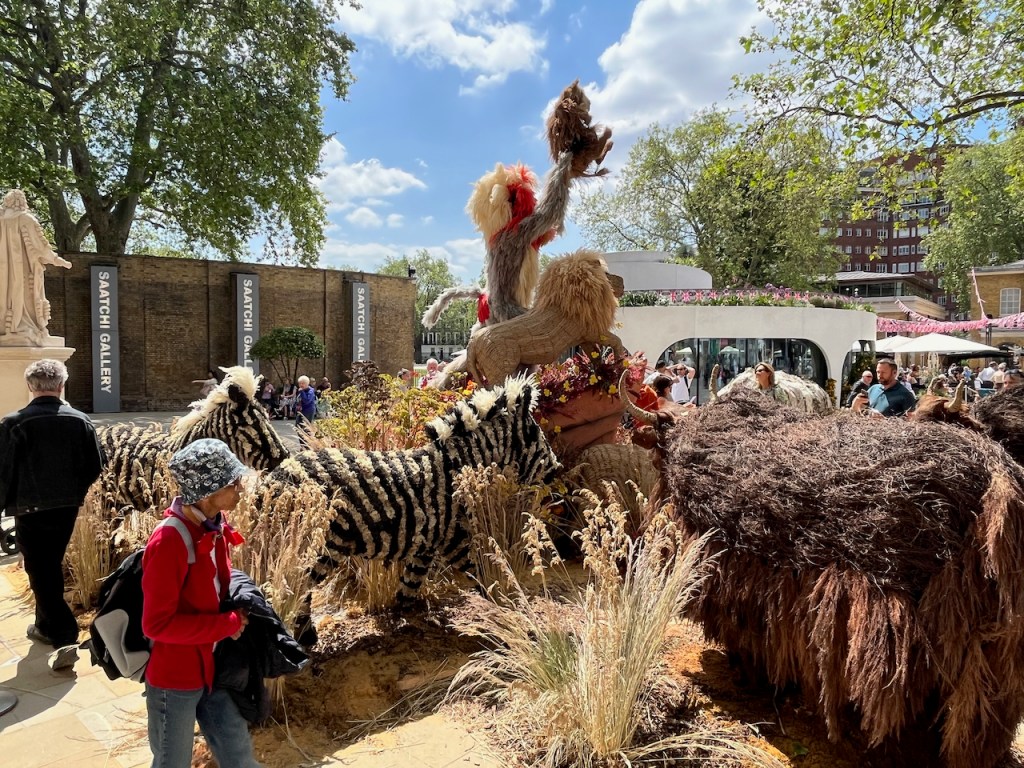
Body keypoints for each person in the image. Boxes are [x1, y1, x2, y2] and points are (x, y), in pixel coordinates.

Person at [141, 438, 262, 768]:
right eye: (233, 482)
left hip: (213, 669)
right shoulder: (169, 540)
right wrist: (227, 625)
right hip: (176, 681)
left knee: (238, 756)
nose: (240, 488)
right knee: (172, 762)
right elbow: (156, 625)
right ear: (208, 491)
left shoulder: (213, 526)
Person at [0, 359, 105, 668]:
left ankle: (64, 636)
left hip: (30, 508)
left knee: (40, 569)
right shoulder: (80, 420)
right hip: (66, 507)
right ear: (62, 385)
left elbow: (2, 472)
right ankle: (44, 626)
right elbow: (96, 464)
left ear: (30, 386)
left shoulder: (14, 423)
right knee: (47, 566)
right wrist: (75, 492)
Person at [0, 189, 72, 345]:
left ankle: (7, 326)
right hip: (23, 269)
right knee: (25, 296)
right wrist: (56, 260)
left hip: (3, 272)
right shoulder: (26, 219)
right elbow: (41, 245)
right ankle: (21, 325)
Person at [852, 358, 916, 418]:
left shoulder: (906, 395)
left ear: (894, 373)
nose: (880, 375)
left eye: (883, 372)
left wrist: (884, 420)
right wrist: (855, 406)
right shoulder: (873, 389)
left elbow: (911, 422)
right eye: (878, 372)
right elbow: (861, 413)